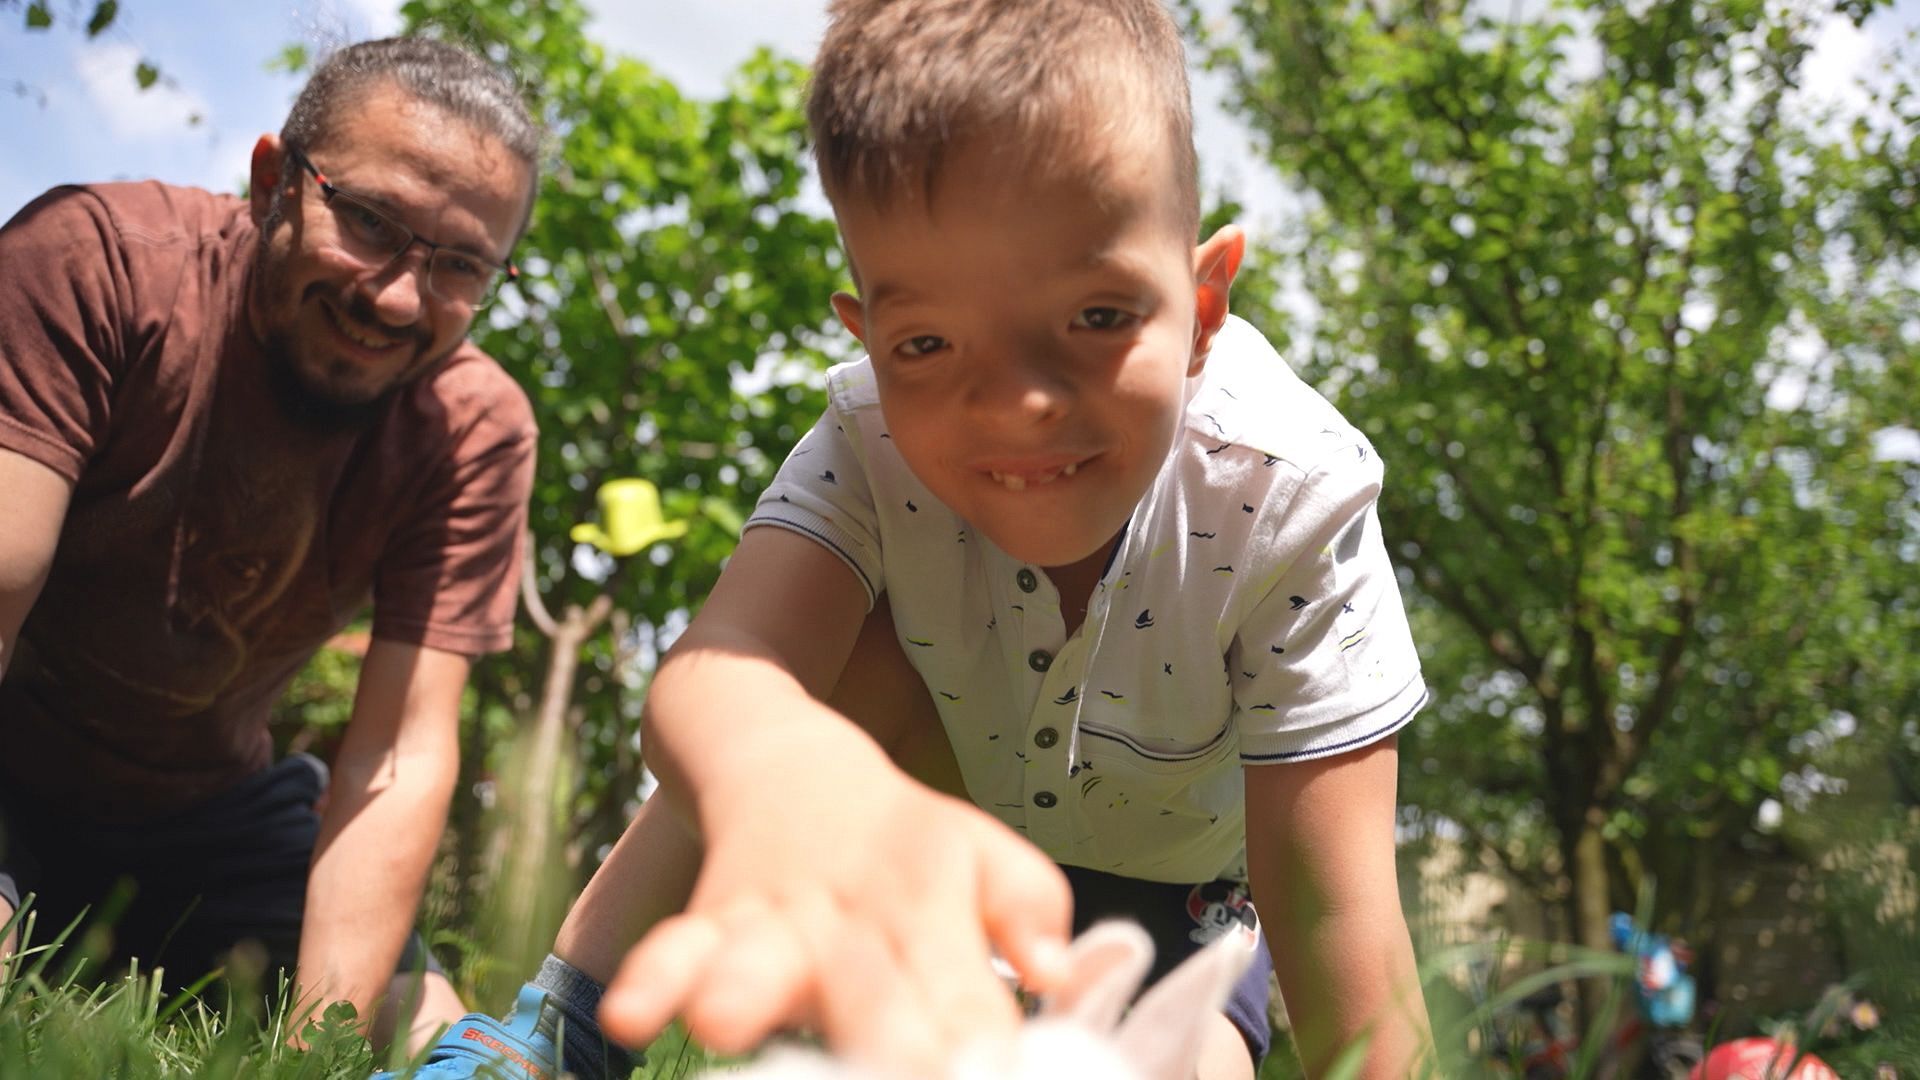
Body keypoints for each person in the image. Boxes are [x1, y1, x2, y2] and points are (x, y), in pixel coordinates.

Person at [405, 1, 1432, 1077]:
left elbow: (1333, 917)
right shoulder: (867, 437)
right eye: (929, 341)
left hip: (1175, 904)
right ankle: (562, 1029)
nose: (1016, 405)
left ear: (1204, 301)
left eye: (1096, 316)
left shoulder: (1292, 496)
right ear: (868, 335)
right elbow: (714, 676)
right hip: (907, 835)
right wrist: (788, 769)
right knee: (787, 697)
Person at [0, 36, 540, 1052]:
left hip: (208, 811)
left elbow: (399, 750)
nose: (396, 297)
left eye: (462, 264)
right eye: (372, 223)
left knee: (433, 1032)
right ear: (272, 183)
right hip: (12, 755)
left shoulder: (471, 432)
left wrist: (312, 1049)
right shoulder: (94, 265)